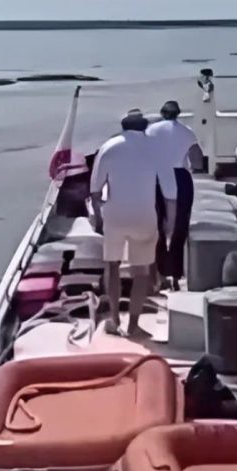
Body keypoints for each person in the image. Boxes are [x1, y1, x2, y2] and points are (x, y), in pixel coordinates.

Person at [90, 109, 177, 338]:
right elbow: (170, 192)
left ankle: (114, 319)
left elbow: (95, 190)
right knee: (142, 272)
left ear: (123, 127)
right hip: (144, 217)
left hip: (115, 216)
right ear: (144, 128)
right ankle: (134, 325)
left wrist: (98, 217)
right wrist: (169, 223)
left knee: (112, 267)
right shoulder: (156, 149)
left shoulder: (108, 147)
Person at [146, 100, 204, 290]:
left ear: (162, 113)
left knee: (157, 227)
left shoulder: (150, 131)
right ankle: (176, 274)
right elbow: (197, 161)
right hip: (180, 177)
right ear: (178, 113)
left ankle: (159, 273)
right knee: (180, 227)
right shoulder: (187, 132)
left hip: (156, 176)